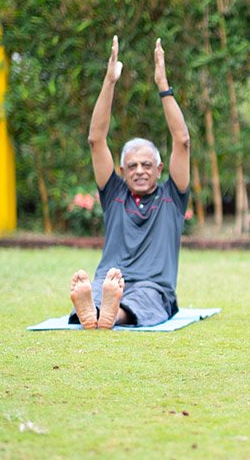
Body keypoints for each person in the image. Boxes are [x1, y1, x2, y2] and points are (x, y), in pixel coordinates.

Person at [68, 36, 190, 329]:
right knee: (100, 289)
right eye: (131, 166)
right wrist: (109, 81)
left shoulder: (172, 198)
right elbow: (96, 140)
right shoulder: (114, 194)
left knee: (143, 301)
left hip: (154, 286)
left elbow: (182, 140)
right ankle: (99, 308)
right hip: (110, 279)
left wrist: (163, 85)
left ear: (159, 169)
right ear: (121, 171)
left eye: (147, 165)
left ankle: (108, 313)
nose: (139, 171)